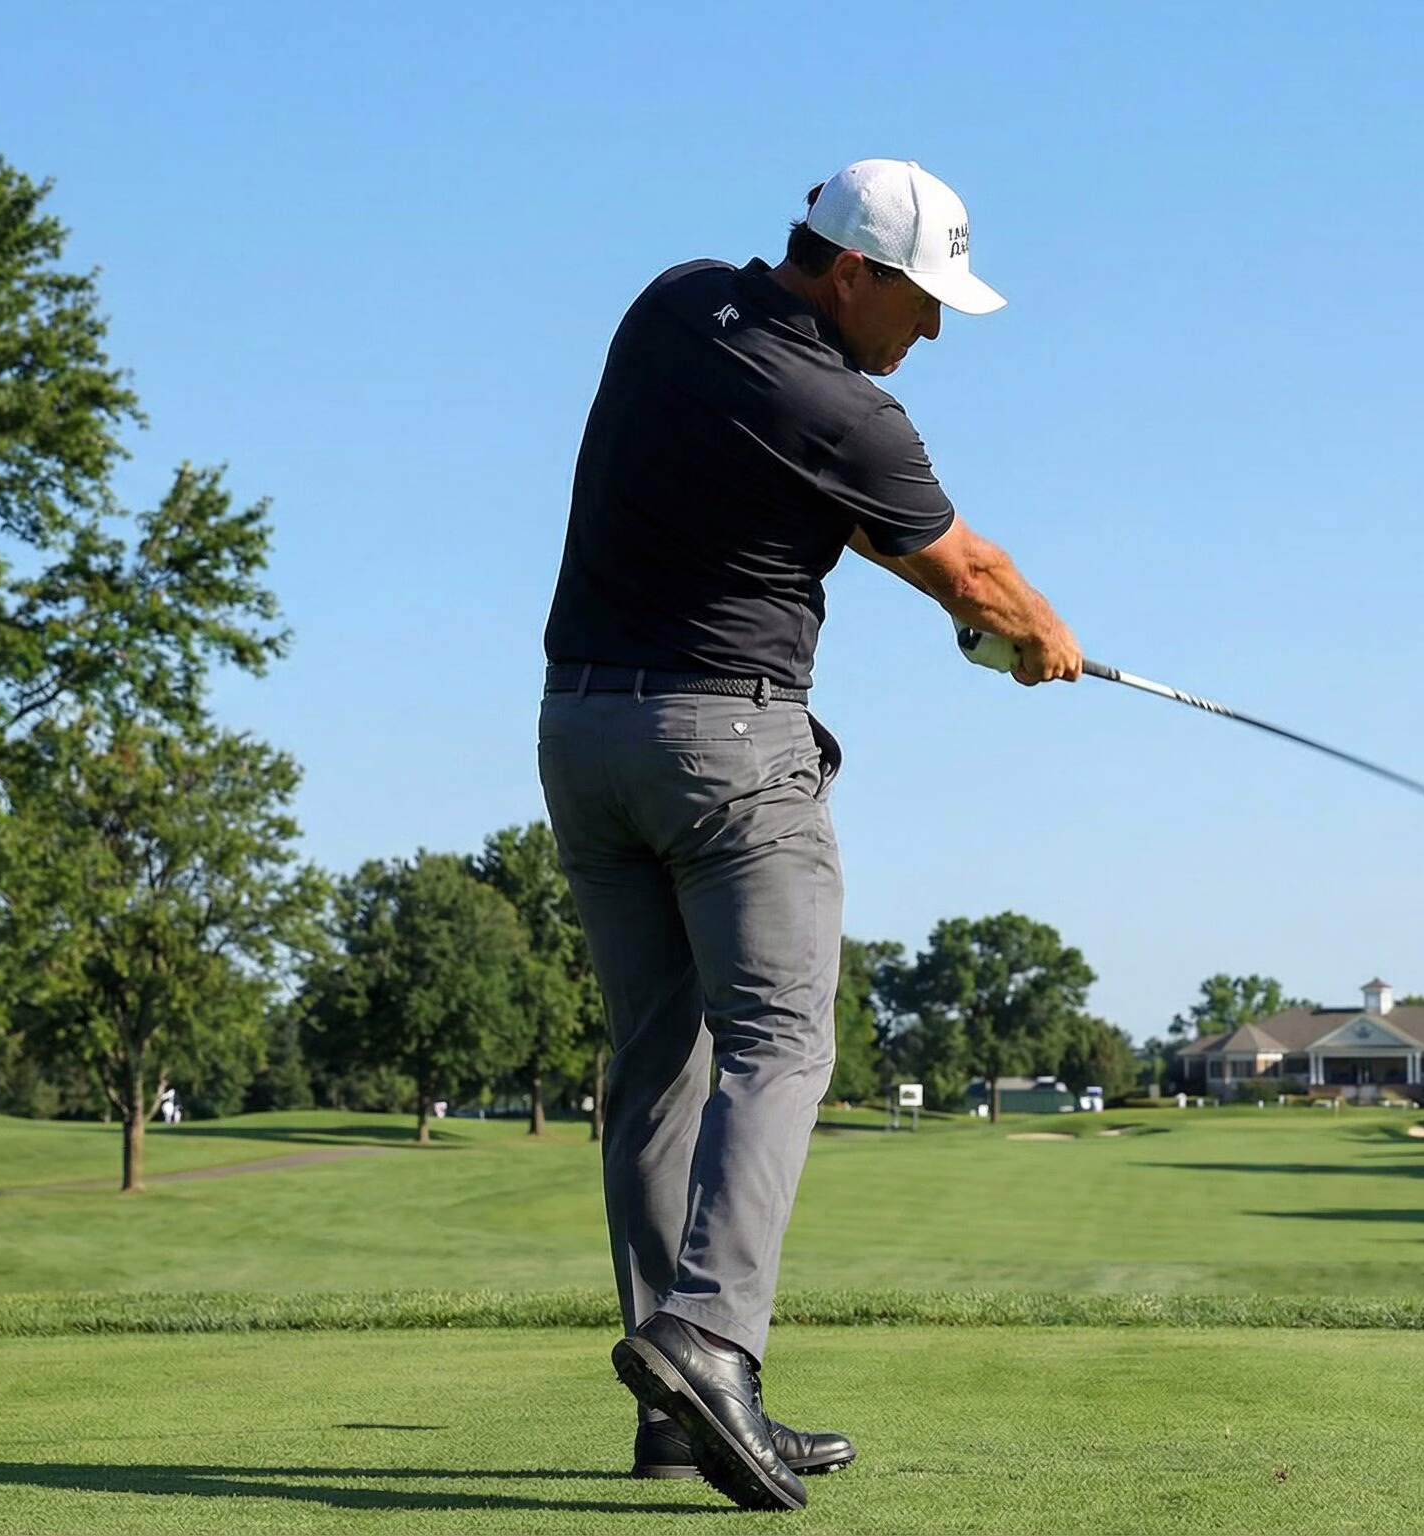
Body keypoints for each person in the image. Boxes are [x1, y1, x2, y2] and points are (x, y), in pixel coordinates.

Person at [536, 158, 1079, 1512]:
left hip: (581, 737)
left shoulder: (673, 305)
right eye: (925, 295)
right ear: (852, 273)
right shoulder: (850, 407)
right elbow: (972, 573)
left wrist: (969, 610)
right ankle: (712, 1340)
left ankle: (683, 1414)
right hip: (728, 751)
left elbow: (816, 502)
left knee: (657, 1065)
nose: (937, 327)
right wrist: (1045, 641)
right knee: (781, 1045)